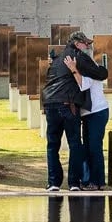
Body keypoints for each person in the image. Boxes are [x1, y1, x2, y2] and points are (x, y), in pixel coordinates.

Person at [41, 31, 101, 191]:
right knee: (75, 143)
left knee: (52, 144)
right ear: (77, 43)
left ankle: (53, 182)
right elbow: (101, 74)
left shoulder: (56, 60)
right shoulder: (78, 56)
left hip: (50, 103)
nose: (88, 46)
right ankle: (74, 182)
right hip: (68, 105)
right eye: (85, 43)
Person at [64, 43, 110, 190]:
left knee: (94, 147)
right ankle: (92, 180)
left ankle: (97, 182)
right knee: (89, 147)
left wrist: (73, 70)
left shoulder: (87, 65)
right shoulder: (85, 64)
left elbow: (84, 85)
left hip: (97, 112)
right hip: (88, 114)